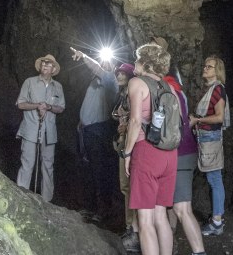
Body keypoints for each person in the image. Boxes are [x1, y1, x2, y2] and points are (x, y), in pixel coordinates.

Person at [123, 43, 178, 255]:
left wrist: (127, 152)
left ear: (146, 63)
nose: (135, 63)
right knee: (161, 216)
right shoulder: (169, 87)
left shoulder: (137, 83)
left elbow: (136, 121)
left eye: (137, 60)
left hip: (146, 152)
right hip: (169, 155)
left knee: (145, 221)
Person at [71, 46, 119, 219]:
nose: (103, 64)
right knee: (87, 169)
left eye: (108, 62)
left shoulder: (111, 81)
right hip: (86, 131)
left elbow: (97, 68)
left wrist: (83, 56)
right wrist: (81, 122)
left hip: (99, 131)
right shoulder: (93, 83)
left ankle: (103, 210)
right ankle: (89, 207)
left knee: (100, 171)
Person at [165, 74, 206, 255]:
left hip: (179, 152)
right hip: (186, 150)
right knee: (171, 204)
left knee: (182, 208)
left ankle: (199, 251)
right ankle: (170, 242)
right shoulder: (179, 91)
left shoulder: (166, 88)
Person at [189, 55, 230, 237]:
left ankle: (217, 222)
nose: (205, 69)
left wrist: (197, 120)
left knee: (215, 179)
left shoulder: (218, 90)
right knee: (213, 179)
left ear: (217, 70)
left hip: (210, 137)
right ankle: (216, 218)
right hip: (204, 137)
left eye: (210, 67)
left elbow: (219, 117)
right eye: (205, 66)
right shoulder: (210, 90)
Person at [16, 54, 65, 203]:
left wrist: (49, 107)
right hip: (30, 129)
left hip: (49, 132)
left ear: (53, 68)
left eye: (48, 64)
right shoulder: (29, 82)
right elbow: (20, 104)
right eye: (43, 63)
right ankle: (21, 196)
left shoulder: (58, 87)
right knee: (27, 162)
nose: (45, 65)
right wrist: (37, 106)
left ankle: (46, 201)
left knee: (48, 165)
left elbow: (61, 108)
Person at [113, 62, 141, 252]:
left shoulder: (132, 93)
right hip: (123, 142)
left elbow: (137, 117)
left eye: (123, 73)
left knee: (130, 186)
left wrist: (126, 125)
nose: (119, 75)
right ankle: (128, 225)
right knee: (125, 186)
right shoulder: (122, 94)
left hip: (132, 144)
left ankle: (134, 229)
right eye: (118, 73)